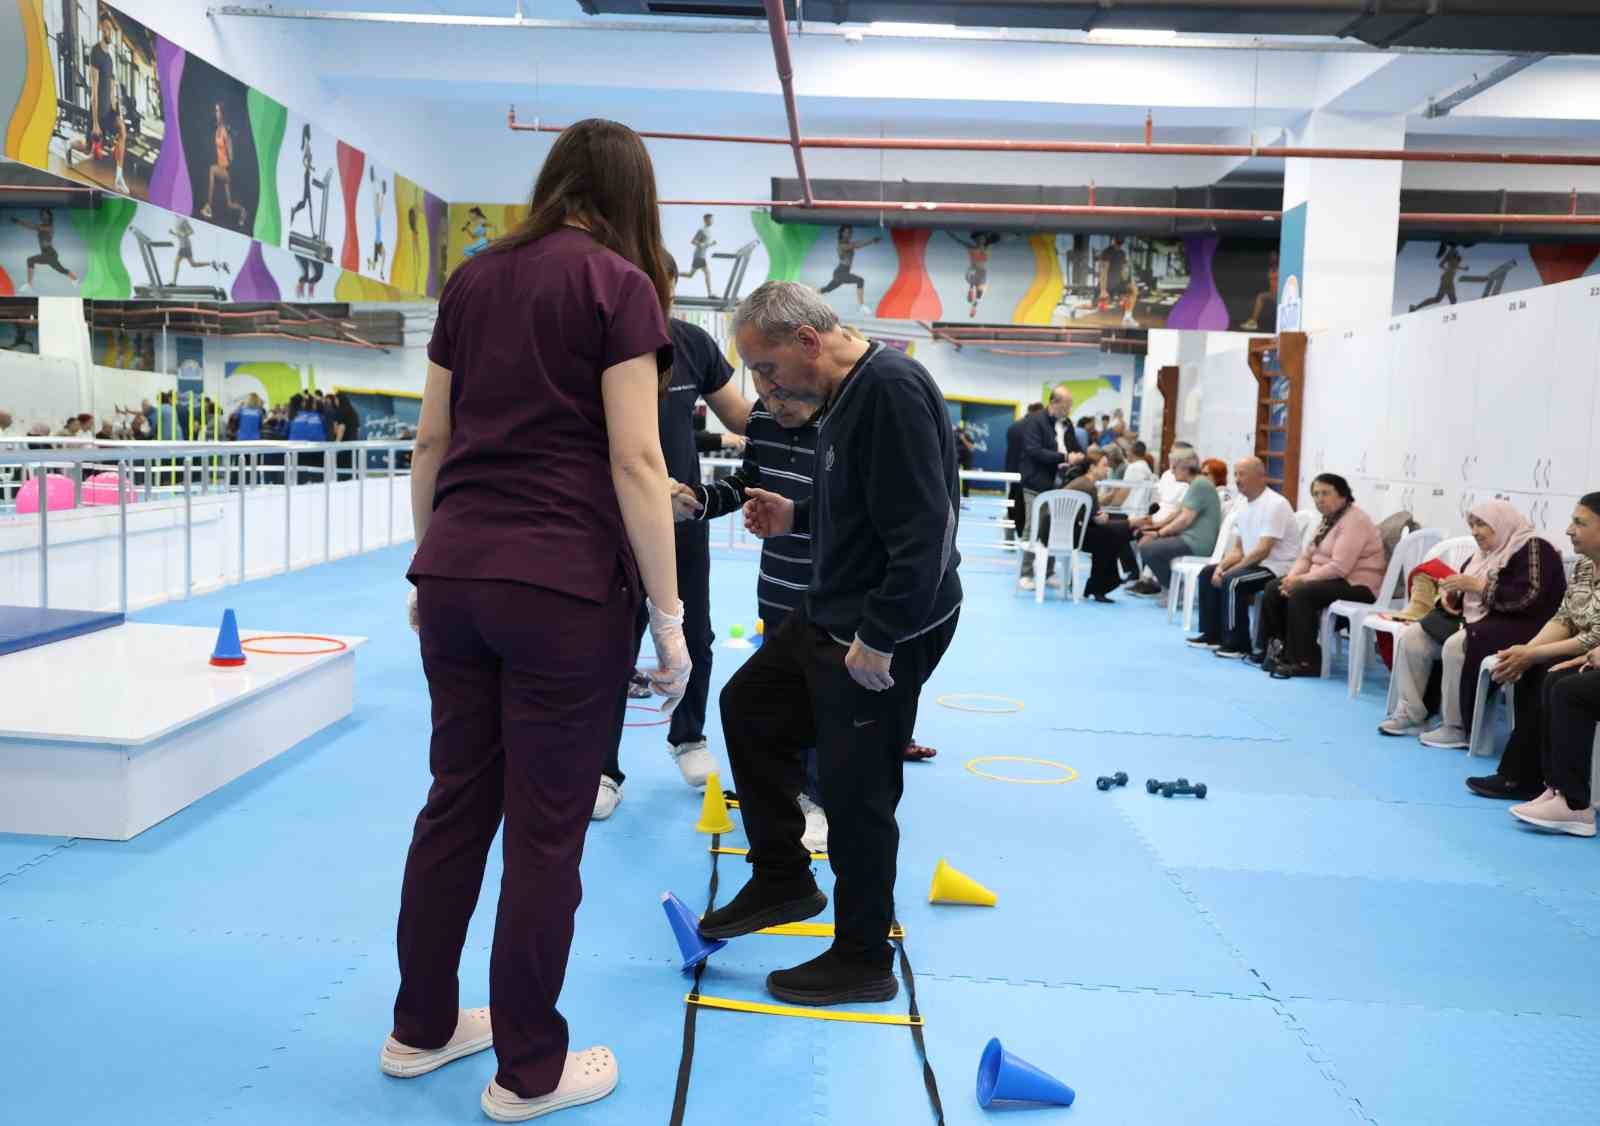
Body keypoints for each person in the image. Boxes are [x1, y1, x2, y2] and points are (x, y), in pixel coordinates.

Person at [388, 118, 686, 1121]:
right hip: (561, 585)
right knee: (545, 834)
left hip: (456, 571)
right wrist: (671, 618)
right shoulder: (618, 285)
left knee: (453, 807)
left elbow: (430, 442)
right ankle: (528, 1071)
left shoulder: (471, 280)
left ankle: (420, 1028)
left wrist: (430, 566)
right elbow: (636, 460)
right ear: (633, 196)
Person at [701, 280, 961, 1008]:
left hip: (888, 621)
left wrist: (880, 637)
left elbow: (927, 527)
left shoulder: (891, 390)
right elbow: (865, 500)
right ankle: (782, 877)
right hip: (833, 606)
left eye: (767, 368)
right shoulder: (842, 396)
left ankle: (862, 958)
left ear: (808, 341)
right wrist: (800, 514)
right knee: (749, 707)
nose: (764, 386)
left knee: (856, 790)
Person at [593, 255, 752, 821]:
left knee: (695, 632)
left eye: (665, 288)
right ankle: (603, 768)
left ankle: (688, 737)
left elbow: (742, 417)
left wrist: (808, 411)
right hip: (609, 521)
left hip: (681, 520)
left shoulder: (692, 343)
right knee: (612, 641)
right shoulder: (598, 343)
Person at [1380, 500, 1566, 748]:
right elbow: (1467, 594)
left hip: (1525, 624)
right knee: (1414, 636)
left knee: (1457, 646)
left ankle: (1456, 726)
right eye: (1472, 525)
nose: (1475, 532)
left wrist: (1478, 587)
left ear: (1501, 523)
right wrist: (1451, 598)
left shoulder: (1534, 548)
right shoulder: (1484, 553)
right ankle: (1413, 713)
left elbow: (1528, 599)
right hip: (1483, 619)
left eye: (1481, 524)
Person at [1464, 495, 1600, 820]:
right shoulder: (1584, 567)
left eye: (1580, 523)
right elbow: (1564, 618)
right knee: (1541, 670)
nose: (1568, 530)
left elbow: (1593, 635)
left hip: (1591, 652)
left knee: (1562, 684)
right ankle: (1543, 783)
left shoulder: (1537, 551)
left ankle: (1569, 800)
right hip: (1585, 652)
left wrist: (1534, 653)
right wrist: (1528, 651)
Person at [1255, 474, 1386, 677]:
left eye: (1325, 493)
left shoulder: (1354, 520)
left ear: (1343, 495)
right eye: (1315, 494)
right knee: (1274, 587)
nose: (1319, 499)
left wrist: (1299, 580)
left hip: (1358, 586)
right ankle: (1276, 651)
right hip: (1329, 580)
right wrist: (1290, 578)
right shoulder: (1328, 520)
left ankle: (1306, 661)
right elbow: (1306, 557)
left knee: (1301, 592)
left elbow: (1340, 567)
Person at [1189, 457, 1299, 658]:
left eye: (1242, 474)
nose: (1237, 479)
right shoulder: (1242, 504)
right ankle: (1213, 634)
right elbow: (1239, 549)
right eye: (1235, 474)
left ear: (1260, 476)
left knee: (1233, 580)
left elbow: (1263, 550)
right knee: (1208, 573)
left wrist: (1230, 571)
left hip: (1276, 567)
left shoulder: (1275, 504)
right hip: (1255, 564)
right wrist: (1221, 567)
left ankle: (1237, 644)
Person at [1017, 385, 1086, 591]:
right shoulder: (1034, 422)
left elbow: (1074, 447)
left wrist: (1080, 455)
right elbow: (1034, 451)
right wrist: (1064, 457)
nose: (1069, 409)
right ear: (1054, 402)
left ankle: (1048, 572)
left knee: (1055, 528)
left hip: (1060, 485)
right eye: (1067, 405)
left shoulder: (1067, 424)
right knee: (1032, 527)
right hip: (1036, 484)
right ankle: (1026, 573)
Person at [1129, 448, 1219, 598]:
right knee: (1146, 542)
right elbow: (1178, 514)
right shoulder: (1196, 484)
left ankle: (1176, 590)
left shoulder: (1200, 485)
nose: (1171, 471)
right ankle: (1171, 588)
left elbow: (1184, 520)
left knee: (1148, 549)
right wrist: (1154, 528)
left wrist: (1159, 533)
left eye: (1174, 467)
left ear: (1185, 468)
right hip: (1189, 538)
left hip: (1197, 543)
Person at [67, 16, 129, 194]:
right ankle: (69, 145)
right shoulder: (96, 52)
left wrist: (117, 110)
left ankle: (119, 178)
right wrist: (95, 123)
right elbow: (94, 90)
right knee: (87, 149)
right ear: (101, 29)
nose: (109, 32)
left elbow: (112, 86)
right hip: (98, 112)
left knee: (122, 131)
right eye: (106, 28)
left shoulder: (110, 58)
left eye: (111, 30)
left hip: (110, 111)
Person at [1069, 448, 1136, 603]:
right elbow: (1096, 519)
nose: (1108, 469)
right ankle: (1099, 587)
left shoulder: (1083, 482)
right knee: (1110, 537)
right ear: (1092, 467)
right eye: (1104, 465)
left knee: (1110, 534)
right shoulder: (1088, 486)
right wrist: (1126, 524)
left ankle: (1097, 587)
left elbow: (1091, 516)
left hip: (1065, 530)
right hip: (1067, 533)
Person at [817, 226, 881, 317]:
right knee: (860, 280)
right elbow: (856, 245)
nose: (849, 234)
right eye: (847, 232)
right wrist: (872, 240)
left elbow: (855, 244)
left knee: (827, 289)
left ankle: (809, 295)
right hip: (841, 272)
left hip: (842, 273)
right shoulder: (842, 245)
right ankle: (862, 306)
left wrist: (872, 241)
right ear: (842, 233)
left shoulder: (847, 244)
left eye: (850, 232)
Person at [201, 102, 247, 229]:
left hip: (227, 170)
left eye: (218, 111)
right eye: (215, 111)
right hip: (221, 168)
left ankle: (208, 207)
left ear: (222, 113)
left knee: (212, 170)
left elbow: (231, 156)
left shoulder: (225, 132)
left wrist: (226, 165)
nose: (215, 113)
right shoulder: (218, 129)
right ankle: (243, 211)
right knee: (230, 204)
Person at [10, 210, 78, 292]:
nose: (44, 216)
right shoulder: (41, 226)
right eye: (42, 215)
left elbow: (33, 226)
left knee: (30, 260)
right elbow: (33, 226)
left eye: (45, 215)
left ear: (49, 216)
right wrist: (19, 222)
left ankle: (29, 284)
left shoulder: (49, 227)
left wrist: (19, 222)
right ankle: (75, 279)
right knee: (61, 270)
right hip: (48, 254)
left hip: (50, 253)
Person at [1003, 404, 1042, 544]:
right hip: (1029, 474)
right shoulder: (1035, 428)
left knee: (1012, 503)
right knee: (1026, 508)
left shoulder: (1013, 427)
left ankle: (1009, 536)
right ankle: (1023, 537)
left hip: (1012, 472)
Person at [947, 231, 999, 318]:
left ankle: (974, 305)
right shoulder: (972, 247)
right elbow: (959, 241)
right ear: (976, 240)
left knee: (980, 292)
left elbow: (1000, 240)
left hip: (981, 273)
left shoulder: (987, 247)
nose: (980, 241)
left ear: (985, 240)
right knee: (974, 275)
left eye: (982, 239)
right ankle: (971, 288)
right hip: (972, 272)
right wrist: (950, 233)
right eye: (978, 239)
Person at [681, 213, 717, 298]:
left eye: (712, 219)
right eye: (711, 219)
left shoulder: (709, 231)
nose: (712, 221)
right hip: (699, 256)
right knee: (707, 273)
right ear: (706, 220)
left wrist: (711, 244)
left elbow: (705, 244)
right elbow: (693, 241)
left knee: (690, 275)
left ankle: (675, 273)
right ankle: (710, 294)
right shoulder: (702, 230)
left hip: (701, 256)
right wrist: (702, 244)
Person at [289, 125, 316, 233]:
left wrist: (310, 167)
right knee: (309, 204)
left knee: (305, 203)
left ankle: (294, 210)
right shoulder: (307, 145)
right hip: (307, 176)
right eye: (310, 132)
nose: (311, 134)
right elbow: (304, 161)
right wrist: (309, 167)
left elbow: (306, 161)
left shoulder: (307, 145)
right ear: (308, 133)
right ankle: (313, 232)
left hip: (307, 175)